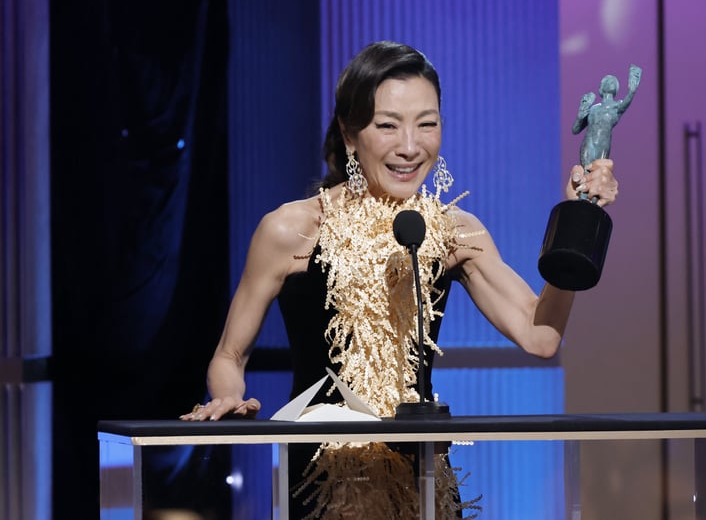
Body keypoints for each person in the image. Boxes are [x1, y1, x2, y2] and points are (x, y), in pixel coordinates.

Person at [180, 40, 620, 518]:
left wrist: (579, 219)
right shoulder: (291, 229)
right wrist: (228, 396)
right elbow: (229, 354)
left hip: (423, 476)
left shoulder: (454, 231)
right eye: (387, 125)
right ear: (350, 134)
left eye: (427, 124)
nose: (410, 146)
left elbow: (540, 335)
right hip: (319, 482)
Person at [573, 64, 642, 170]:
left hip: (603, 146)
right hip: (588, 143)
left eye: (614, 81)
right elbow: (575, 130)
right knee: (586, 174)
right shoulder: (593, 108)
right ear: (601, 88)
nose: (611, 81)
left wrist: (632, 92)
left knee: (598, 174)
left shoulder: (617, 106)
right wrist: (579, 116)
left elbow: (627, 101)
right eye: (608, 81)